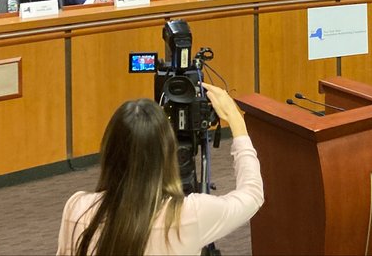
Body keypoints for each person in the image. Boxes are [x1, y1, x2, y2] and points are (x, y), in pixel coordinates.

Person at [56, 83, 263, 255]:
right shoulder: (190, 214)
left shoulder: (77, 208)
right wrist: (236, 121)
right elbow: (252, 194)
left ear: (109, 151)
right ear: (168, 153)